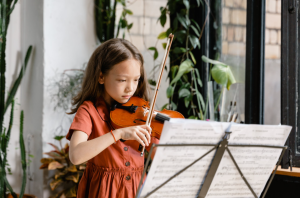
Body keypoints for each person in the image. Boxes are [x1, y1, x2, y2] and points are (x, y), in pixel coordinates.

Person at [66, 38, 159, 198]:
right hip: (103, 192)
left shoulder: (140, 112)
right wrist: (119, 134)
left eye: (136, 80)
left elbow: (158, 154)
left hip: (137, 190)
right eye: (122, 80)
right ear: (101, 77)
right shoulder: (89, 111)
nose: (130, 88)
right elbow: (75, 155)